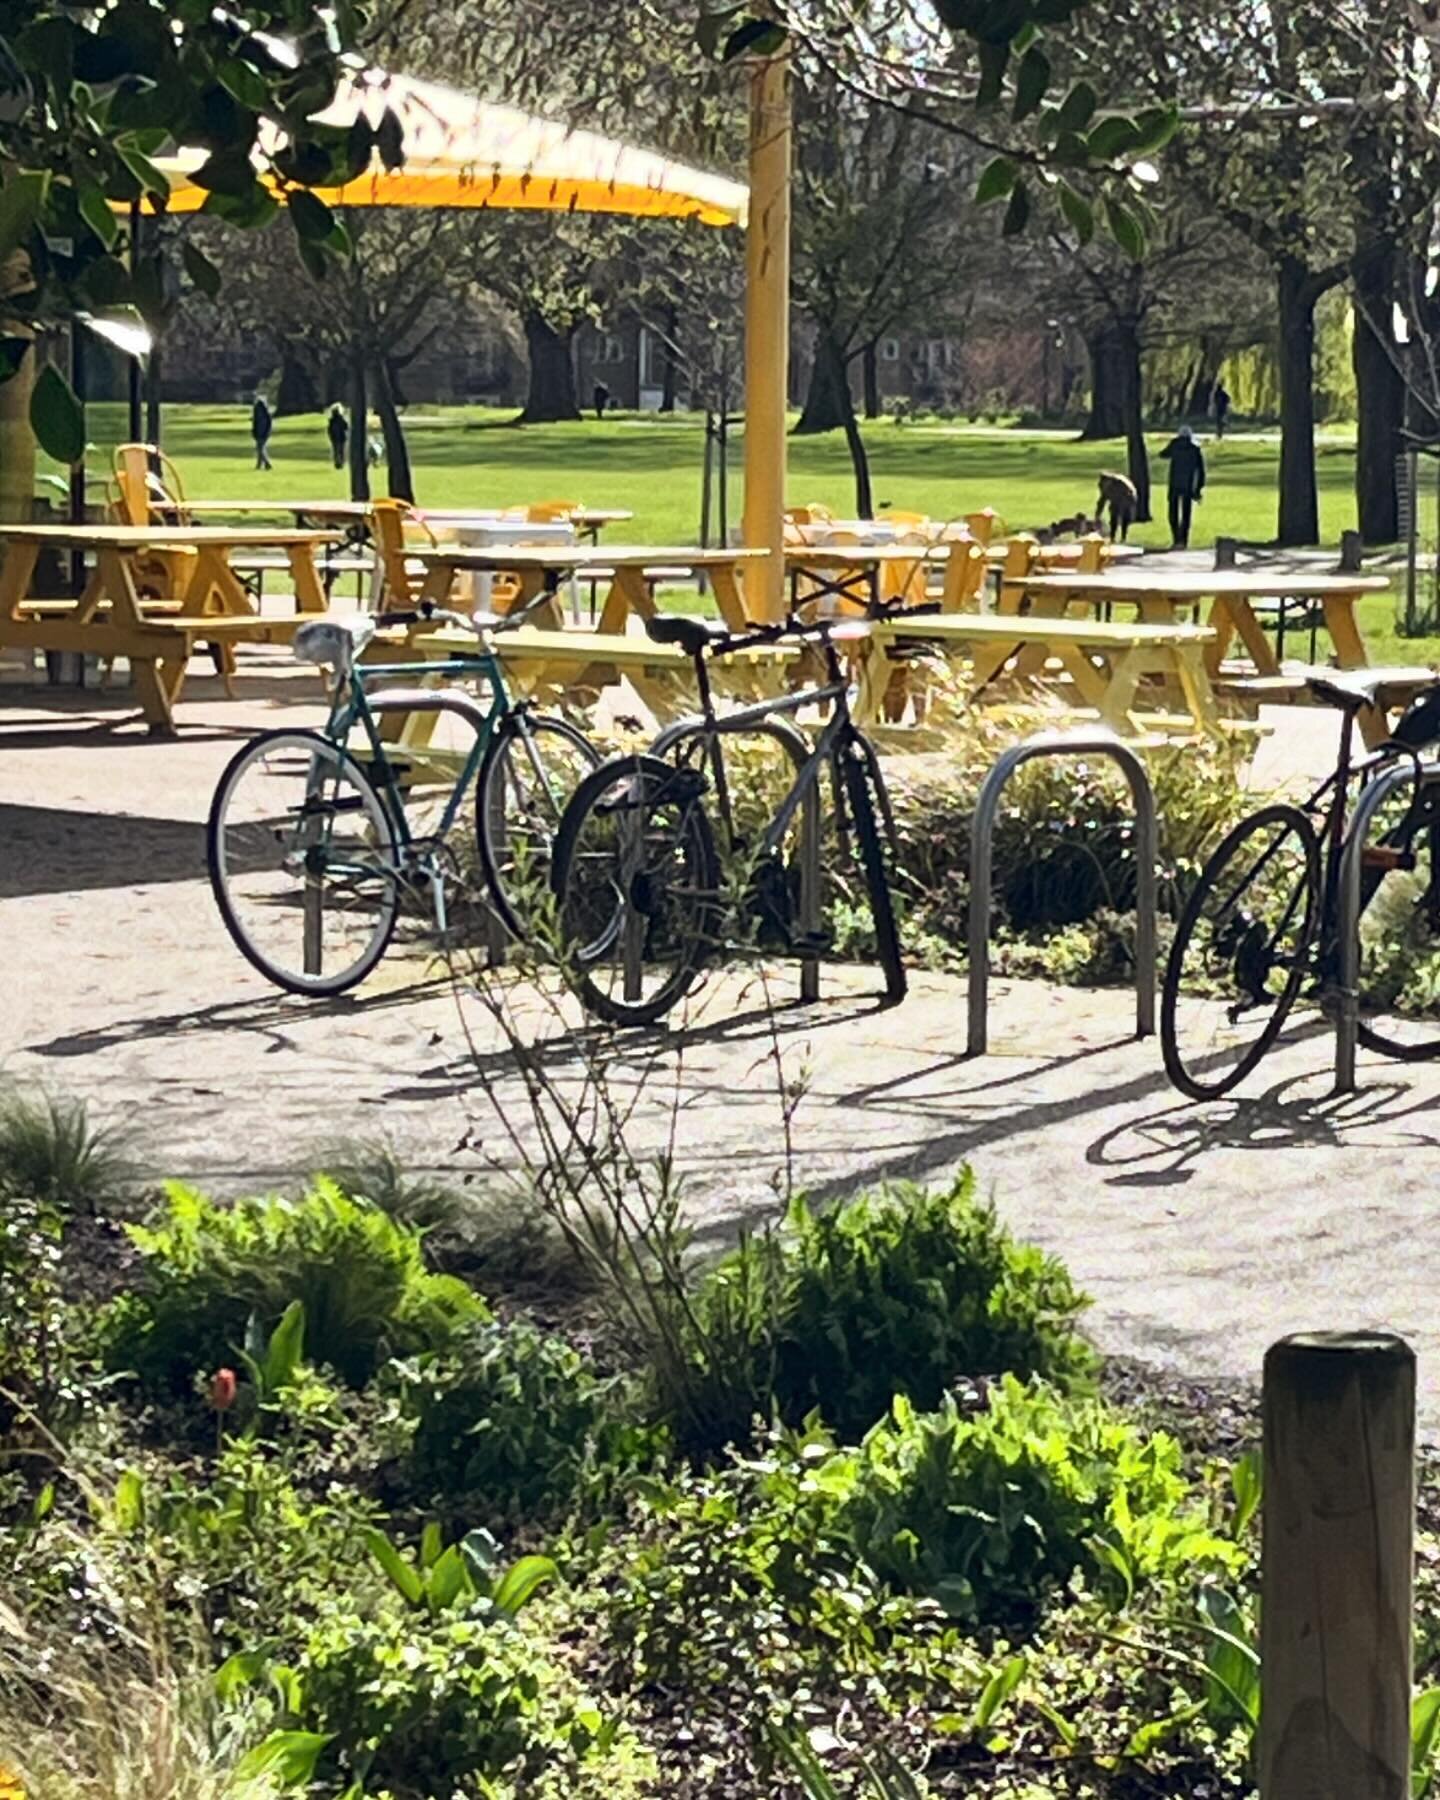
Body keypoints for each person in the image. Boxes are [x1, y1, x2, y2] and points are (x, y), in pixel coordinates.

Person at [1159, 424, 1206, 548]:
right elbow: (1200, 470)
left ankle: (1176, 538)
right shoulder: (1195, 449)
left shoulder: (1174, 445)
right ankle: (1183, 540)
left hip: (1174, 483)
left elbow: (1163, 454)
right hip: (1189, 485)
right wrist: (1199, 488)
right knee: (1186, 513)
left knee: (1173, 512)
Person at [250, 394, 274, 471]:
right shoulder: (263, 411)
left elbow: (256, 422)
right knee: (260, 448)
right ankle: (259, 465)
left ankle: (267, 464)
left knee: (259, 449)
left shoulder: (261, 411)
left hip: (262, 433)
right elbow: (255, 422)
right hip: (261, 432)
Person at [326, 404, 348, 470]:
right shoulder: (340, 419)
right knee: (341, 451)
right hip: (341, 438)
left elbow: (329, 430)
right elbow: (346, 427)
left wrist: (330, 436)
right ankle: (340, 463)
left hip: (336, 438)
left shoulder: (332, 420)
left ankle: (338, 463)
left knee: (337, 451)